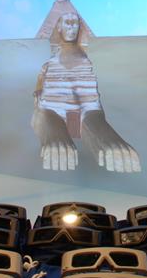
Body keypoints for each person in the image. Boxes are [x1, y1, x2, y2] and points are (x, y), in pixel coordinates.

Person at [31, 12, 141, 173]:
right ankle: (56, 134)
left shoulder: (85, 63)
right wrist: (53, 131)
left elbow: (91, 107)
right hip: (50, 107)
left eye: (75, 22)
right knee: (46, 113)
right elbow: (45, 107)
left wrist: (103, 134)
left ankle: (103, 138)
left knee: (94, 120)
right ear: (58, 27)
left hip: (86, 106)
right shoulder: (49, 65)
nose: (71, 26)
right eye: (67, 22)